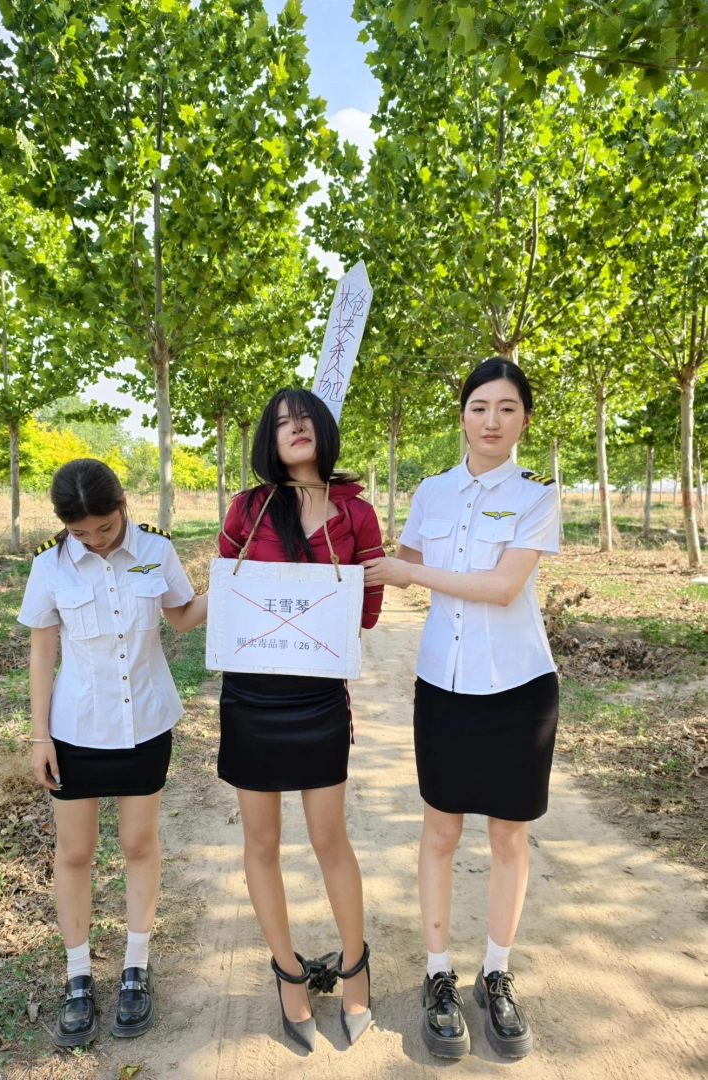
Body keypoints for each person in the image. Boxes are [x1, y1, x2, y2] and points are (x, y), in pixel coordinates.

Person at [364, 357, 560, 1060]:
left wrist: (411, 570)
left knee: (508, 836)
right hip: (443, 686)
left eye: (507, 408)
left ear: (524, 419)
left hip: (519, 687)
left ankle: (496, 973)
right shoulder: (432, 491)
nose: (492, 421)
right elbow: (394, 563)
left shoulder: (537, 495)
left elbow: (503, 587)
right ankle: (438, 973)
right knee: (440, 832)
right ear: (462, 416)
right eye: (480, 407)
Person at [18, 458, 207, 1047]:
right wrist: (40, 736)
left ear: (123, 505)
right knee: (75, 852)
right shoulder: (49, 566)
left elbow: (182, 619)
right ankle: (78, 977)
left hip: (145, 723)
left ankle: (135, 967)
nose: (97, 540)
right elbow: (43, 651)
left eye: (105, 526)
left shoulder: (155, 550)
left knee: (138, 844)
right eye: (81, 532)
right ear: (63, 525)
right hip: (75, 730)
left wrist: (231, 584)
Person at [217, 388, 384, 1051]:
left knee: (328, 839)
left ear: (323, 429)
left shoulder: (357, 513)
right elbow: (224, 596)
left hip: (318, 701)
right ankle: (288, 973)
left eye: (305, 417)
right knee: (261, 844)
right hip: (250, 700)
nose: (295, 428)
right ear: (270, 438)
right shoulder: (247, 509)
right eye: (282, 421)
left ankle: (355, 967)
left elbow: (365, 616)